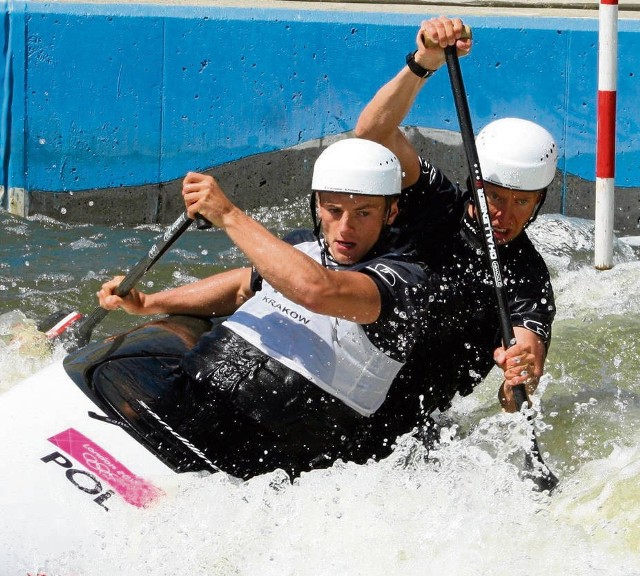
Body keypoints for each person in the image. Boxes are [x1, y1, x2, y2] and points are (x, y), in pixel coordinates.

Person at [95, 138, 429, 479]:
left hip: (272, 447)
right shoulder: (300, 245)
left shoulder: (403, 280)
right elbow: (242, 287)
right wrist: (150, 303)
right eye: (333, 210)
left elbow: (317, 290)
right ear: (317, 205)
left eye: (363, 213)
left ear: (391, 213)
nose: (345, 228)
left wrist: (228, 214)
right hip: (195, 392)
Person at [354, 15, 557, 442]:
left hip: (413, 428)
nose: (504, 213)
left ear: (538, 202)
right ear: (474, 183)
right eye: (494, 197)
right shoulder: (433, 200)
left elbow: (519, 380)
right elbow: (371, 134)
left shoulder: (528, 279)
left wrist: (519, 376)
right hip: (348, 380)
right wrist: (422, 63)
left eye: (522, 202)